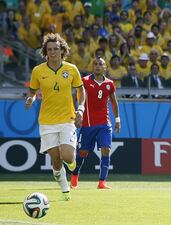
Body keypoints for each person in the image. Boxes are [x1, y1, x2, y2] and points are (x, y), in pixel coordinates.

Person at [25, 33, 85, 201]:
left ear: (62, 50)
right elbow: (32, 90)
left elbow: (81, 90)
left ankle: (73, 165)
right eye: (49, 49)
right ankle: (65, 189)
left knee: (67, 156)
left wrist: (80, 108)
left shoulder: (71, 69)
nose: (52, 52)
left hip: (68, 119)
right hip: (46, 121)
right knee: (56, 159)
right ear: (45, 51)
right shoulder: (38, 71)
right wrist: (31, 98)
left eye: (56, 49)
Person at [70, 57, 121, 189]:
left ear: (105, 68)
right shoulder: (85, 81)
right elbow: (79, 97)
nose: (98, 66)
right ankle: (75, 175)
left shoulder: (110, 84)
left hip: (104, 123)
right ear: (93, 67)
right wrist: (77, 113)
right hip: (88, 124)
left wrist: (117, 119)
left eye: (101, 64)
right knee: (82, 153)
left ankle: (102, 182)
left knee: (106, 149)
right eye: (96, 64)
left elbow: (114, 103)